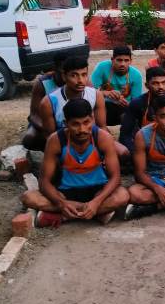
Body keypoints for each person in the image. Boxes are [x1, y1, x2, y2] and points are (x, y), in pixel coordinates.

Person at [22, 98, 129, 228]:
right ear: (66, 123)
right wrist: (61, 203)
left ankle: (64, 215)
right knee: (29, 197)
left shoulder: (103, 138)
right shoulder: (55, 140)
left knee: (123, 195)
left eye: (86, 122)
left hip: (98, 191)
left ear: (92, 119)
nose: (82, 129)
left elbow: (115, 177)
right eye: (75, 124)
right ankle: (96, 212)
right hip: (66, 193)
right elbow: (44, 181)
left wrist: (97, 201)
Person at [118, 67, 165, 154]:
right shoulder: (137, 103)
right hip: (144, 145)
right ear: (147, 85)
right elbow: (125, 135)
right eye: (155, 83)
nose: (160, 87)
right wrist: (137, 152)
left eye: (164, 82)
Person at [40, 56, 106, 137]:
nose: (80, 80)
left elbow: (102, 127)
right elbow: (50, 136)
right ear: (64, 76)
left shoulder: (96, 95)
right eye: (74, 75)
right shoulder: (48, 102)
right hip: (63, 142)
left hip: (91, 139)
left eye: (84, 75)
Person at [22, 52, 67, 150]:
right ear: (55, 68)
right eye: (62, 70)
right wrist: (50, 130)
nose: (65, 74)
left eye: (68, 70)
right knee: (29, 139)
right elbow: (34, 115)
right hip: (45, 123)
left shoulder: (76, 81)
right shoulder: (42, 83)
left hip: (68, 123)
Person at [90, 46, 144, 126]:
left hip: (124, 108)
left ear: (131, 61)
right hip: (104, 106)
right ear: (112, 60)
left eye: (126, 60)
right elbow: (90, 91)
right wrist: (107, 93)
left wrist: (127, 104)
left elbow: (136, 102)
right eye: (119, 60)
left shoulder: (136, 75)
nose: (122, 64)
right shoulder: (102, 67)